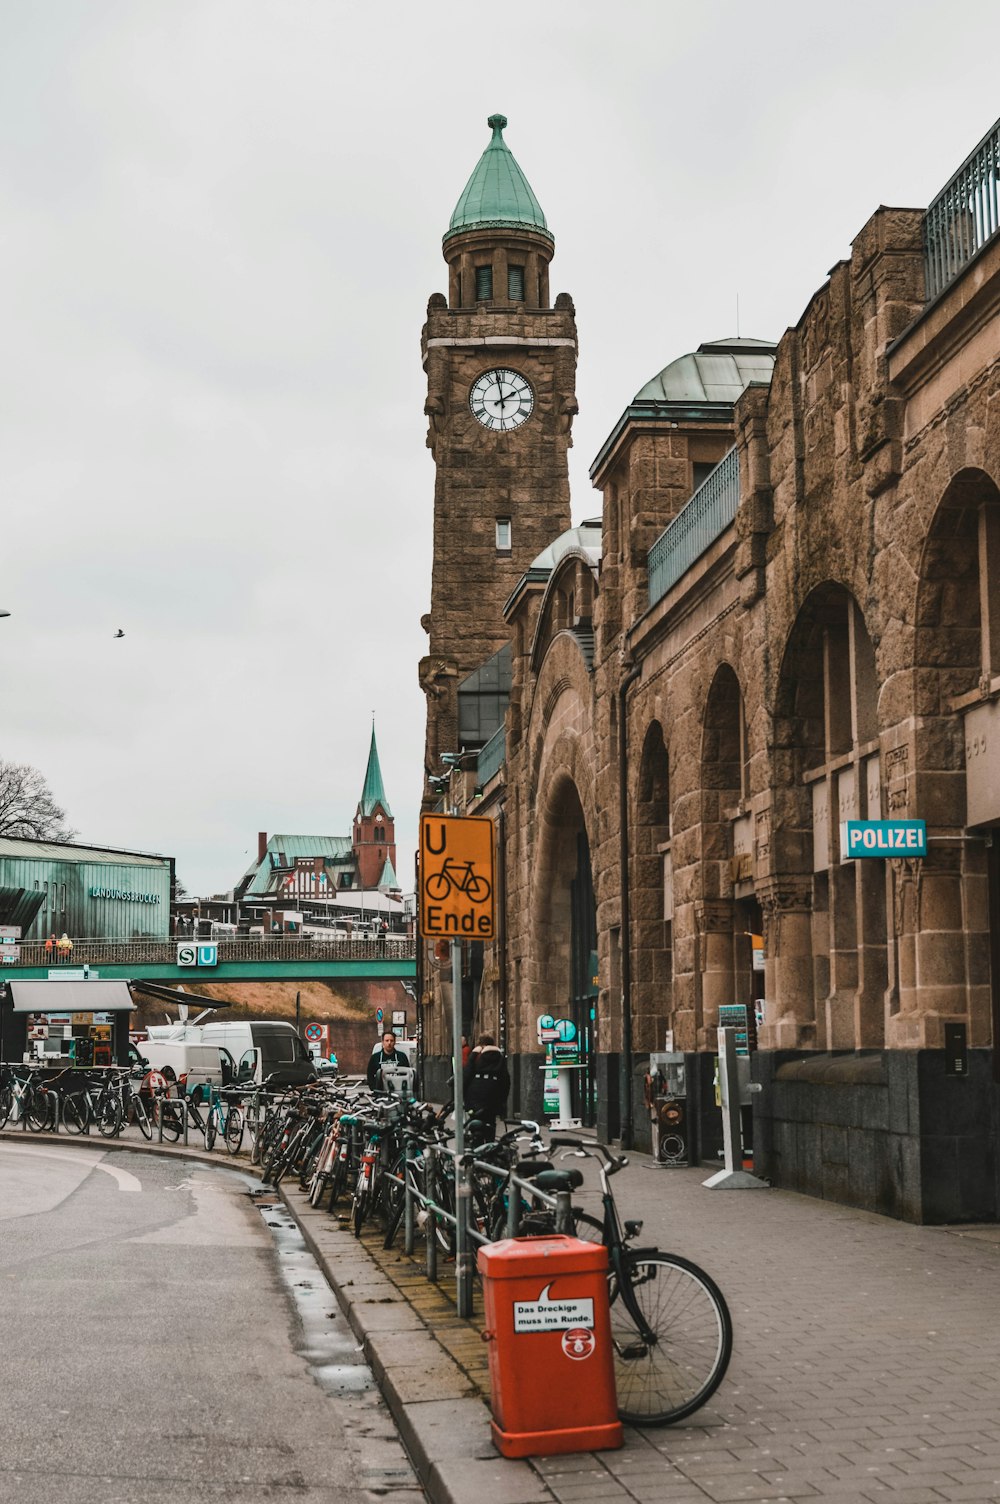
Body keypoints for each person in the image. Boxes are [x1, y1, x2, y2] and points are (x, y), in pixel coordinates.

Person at [462, 1034, 510, 1142]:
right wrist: (502, 1101)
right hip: (493, 1095)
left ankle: (477, 1145)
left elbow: (467, 1074)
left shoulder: (476, 1056)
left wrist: (464, 1096)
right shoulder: (499, 1057)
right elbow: (505, 1080)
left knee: (475, 1121)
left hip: (475, 1095)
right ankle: (490, 1146)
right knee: (490, 1121)